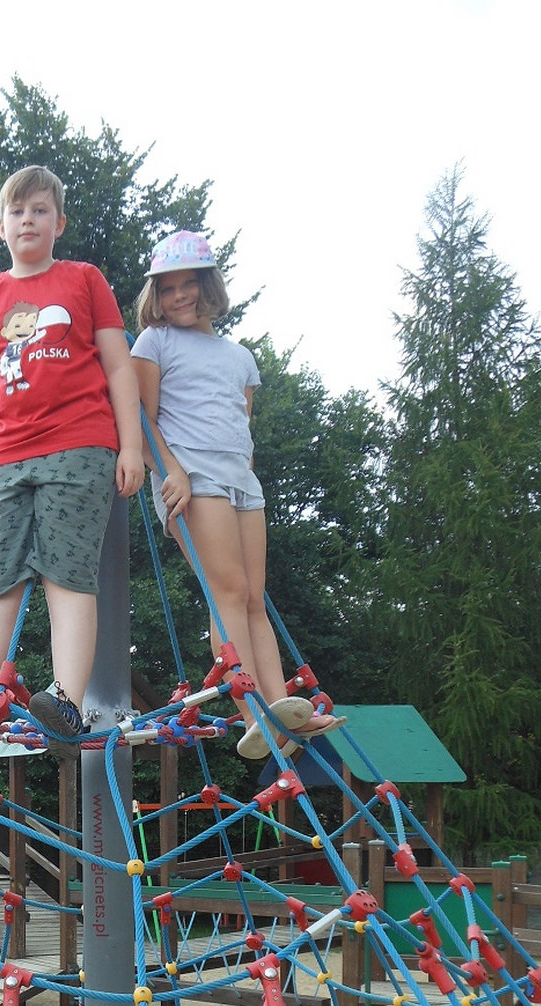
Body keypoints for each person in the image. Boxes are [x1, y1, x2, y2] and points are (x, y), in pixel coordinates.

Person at [0, 164, 144, 754]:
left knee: (68, 574)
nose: (28, 220)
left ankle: (66, 698)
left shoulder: (83, 279)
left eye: (40, 210)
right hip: (7, 455)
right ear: (2, 225)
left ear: (59, 223)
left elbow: (119, 365)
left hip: (79, 445)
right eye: (17, 211)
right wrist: (23, 405)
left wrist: (131, 446)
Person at [131, 230, 342, 759]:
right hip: (191, 477)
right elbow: (141, 419)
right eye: (167, 288)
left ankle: (284, 708)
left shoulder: (241, 357)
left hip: (240, 481)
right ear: (156, 295)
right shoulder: (154, 342)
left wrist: (245, 476)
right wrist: (172, 472)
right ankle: (253, 714)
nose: (179, 296)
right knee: (227, 591)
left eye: (189, 284)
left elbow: (240, 424)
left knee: (253, 597)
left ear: (209, 286)